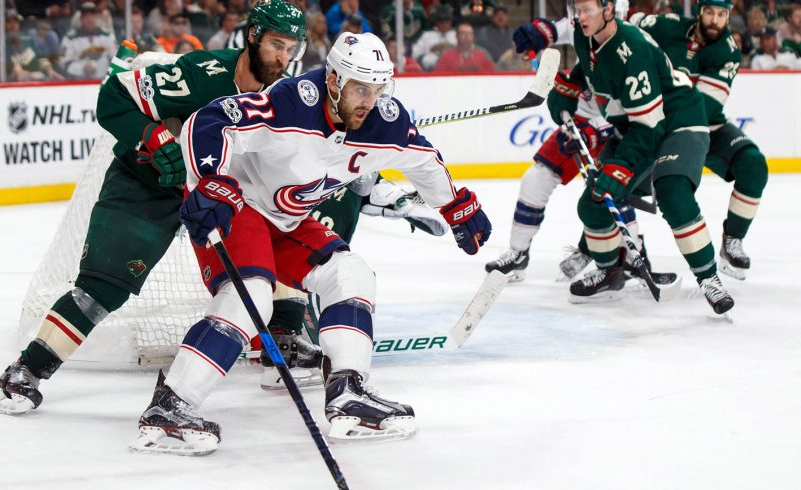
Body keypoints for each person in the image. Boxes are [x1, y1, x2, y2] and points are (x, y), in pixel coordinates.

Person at [130, 32, 492, 454]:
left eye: (377, 89)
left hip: (288, 220)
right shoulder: (291, 102)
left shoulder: (384, 119)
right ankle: (170, 407)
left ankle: (348, 392)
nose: (369, 101)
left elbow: (422, 158)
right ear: (335, 79)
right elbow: (208, 123)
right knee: (252, 297)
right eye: (360, 88)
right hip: (239, 206)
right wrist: (210, 182)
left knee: (351, 274)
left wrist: (455, 206)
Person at [0, 0, 311, 416]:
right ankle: (26, 371)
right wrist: (151, 137)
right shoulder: (203, 74)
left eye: (291, 48)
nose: (283, 57)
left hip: (216, 196)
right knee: (102, 288)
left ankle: (281, 348)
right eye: (276, 44)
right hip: (149, 185)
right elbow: (114, 95)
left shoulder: (285, 96)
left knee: (284, 241)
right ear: (253, 36)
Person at [513, 0, 734, 314]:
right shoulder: (583, 33)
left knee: (673, 192)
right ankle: (611, 270)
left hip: (678, 121)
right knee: (593, 202)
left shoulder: (632, 50)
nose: (579, 16)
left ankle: (709, 277)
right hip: (635, 124)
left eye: (587, 9)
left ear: (608, 10)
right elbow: (589, 68)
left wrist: (621, 166)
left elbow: (649, 126)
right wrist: (570, 88)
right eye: (577, 9)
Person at [628, 0, 770, 280]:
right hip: (655, 122)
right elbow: (627, 26)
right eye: (710, 13)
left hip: (703, 124)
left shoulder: (728, 52)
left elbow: (703, 108)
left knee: (753, 165)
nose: (716, 20)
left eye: (722, 15)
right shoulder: (667, 25)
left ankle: (732, 241)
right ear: (700, 12)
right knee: (617, 175)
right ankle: (617, 250)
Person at [58, 1, 117, 79]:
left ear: (96, 17)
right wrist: (82, 69)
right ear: (81, 18)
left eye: (92, 16)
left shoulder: (108, 36)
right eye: (86, 17)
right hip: (78, 82)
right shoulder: (70, 39)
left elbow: (116, 60)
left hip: (104, 81)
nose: (89, 20)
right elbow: (64, 63)